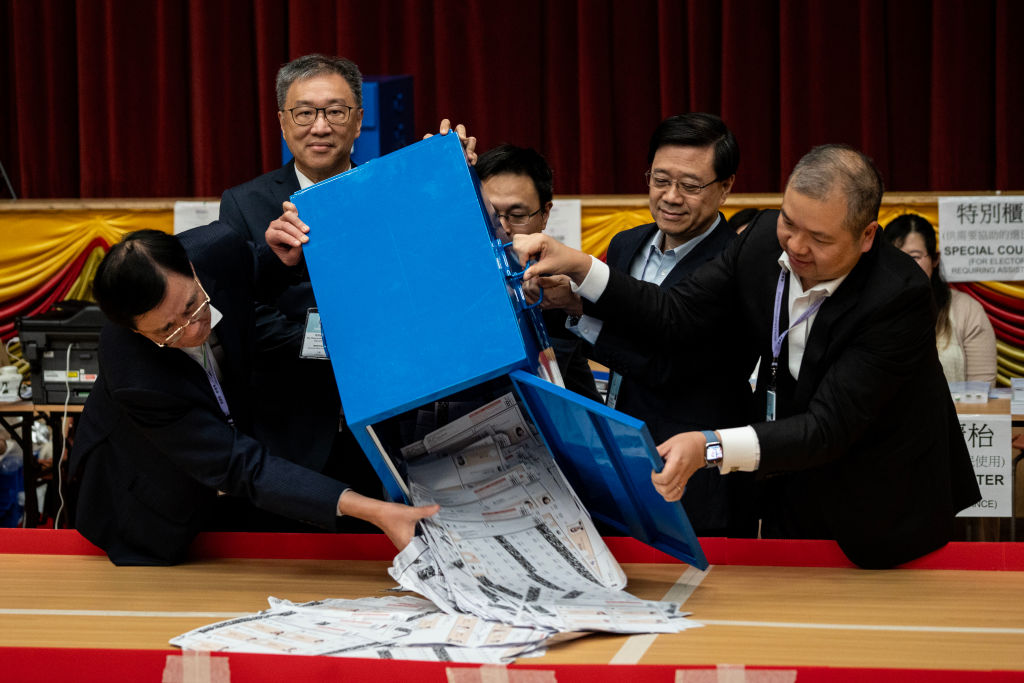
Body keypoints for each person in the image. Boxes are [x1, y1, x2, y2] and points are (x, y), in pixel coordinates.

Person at [513, 144, 981, 569]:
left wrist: (709, 446)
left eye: (819, 238)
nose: (796, 247)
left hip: (882, 507)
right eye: (789, 223)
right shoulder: (760, 242)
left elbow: (827, 428)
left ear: (866, 236)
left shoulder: (897, 297)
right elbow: (674, 311)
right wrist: (579, 266)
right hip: (790, 493)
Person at [69, 227, 438, 566]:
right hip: (148, 496)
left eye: (192, 305)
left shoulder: (218, 249)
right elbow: (238, 464)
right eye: (168, 330)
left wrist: (278, 256)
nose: (193, 328)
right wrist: (371, 510)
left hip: (227, 479)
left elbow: (251, 273)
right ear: (135, 329)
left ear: (194, 269)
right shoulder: (134, 371)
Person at [215, 54, 475, 488]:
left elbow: (437, 281)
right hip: (290, 428)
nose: (320, 126)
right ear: (283, 121)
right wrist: (336, 344)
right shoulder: (243, 203)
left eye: (335, 112)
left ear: (358, 122)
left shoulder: (392, 193)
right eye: (304, 113)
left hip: (393, 420)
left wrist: (449, 184)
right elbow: (243, 316)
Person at [534, 114, 758, 536]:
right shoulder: (626, 244)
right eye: (660, 180)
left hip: (697, 478)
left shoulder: (734, 265)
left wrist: (583, 310)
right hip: (624, 459)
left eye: (690, 186)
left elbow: (666, 366)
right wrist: (565, 302)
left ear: (726, 187)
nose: (671, 197)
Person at [475, 144, 602, 403]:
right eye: (490, 215)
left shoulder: (557, 292)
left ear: (545, 215)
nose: (502, 228)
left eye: (517, 215)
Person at [883, 213, 997, 386]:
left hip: (956, 413)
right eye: (896, 256)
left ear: (935, 259)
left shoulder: (967, 310)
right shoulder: (870, 309)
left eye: (914, 257)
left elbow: (981, 391)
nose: (905, 266)